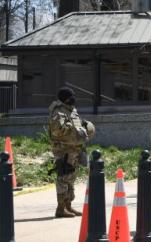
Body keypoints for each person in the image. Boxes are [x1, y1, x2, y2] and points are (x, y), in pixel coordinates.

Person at [48, 86, 94, 218]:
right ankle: (60, 209)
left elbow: (77, 125)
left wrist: (84, 126)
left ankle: (68, 206)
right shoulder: (58, 112)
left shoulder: (72, 110)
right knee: (64, 177)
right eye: (70, 97)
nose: (73, 99)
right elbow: (57, 131)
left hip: (75, 149)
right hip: (64, 150)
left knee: (71, 177)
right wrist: (71, 128)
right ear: (64, 98)